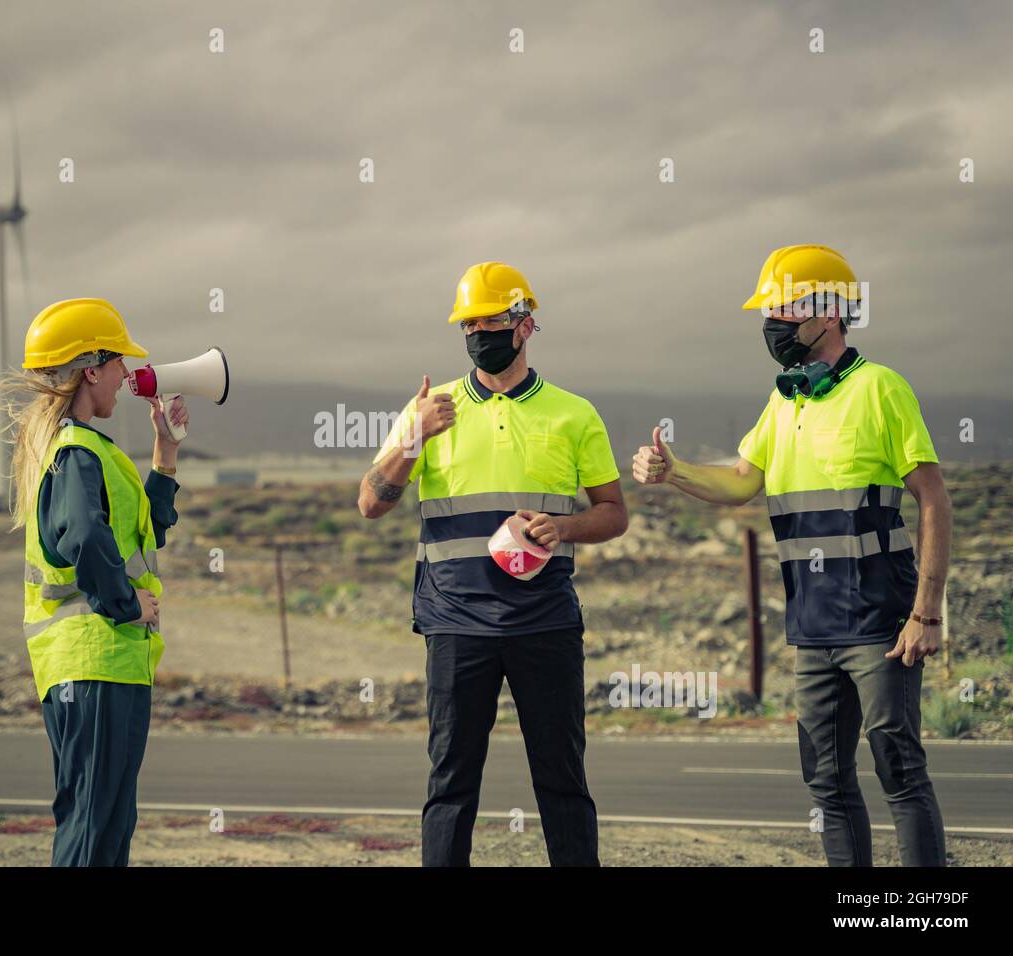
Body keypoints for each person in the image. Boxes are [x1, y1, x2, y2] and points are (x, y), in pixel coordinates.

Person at [632, 245, 950, 866]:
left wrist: (927, 613)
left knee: (899, 772)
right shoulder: (786, 400)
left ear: (828, 313)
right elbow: (741, 481)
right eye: (769, 310)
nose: (771, 322)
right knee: (826, 783)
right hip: (812, 627)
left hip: (882, 622)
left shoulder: (881, 388)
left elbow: (934, 501)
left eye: (783, 308)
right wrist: (674, 473)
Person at [359, 262, 628, 866]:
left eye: (494, 320)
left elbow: (613, 513)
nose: (481, 332)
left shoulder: (574, 413)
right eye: (469, 323)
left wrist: (562, 527)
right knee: (451, 785)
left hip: (546, 623)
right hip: (455, 624)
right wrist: (413, 439)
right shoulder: (430, 408)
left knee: (562, 783)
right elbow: (371, 503)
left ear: (526, 324)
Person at [2, 297, 188, 866]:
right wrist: (127, 604)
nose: (126, 376)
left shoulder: (84, 450)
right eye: (117, 364)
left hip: (102, 666)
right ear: (91, 369)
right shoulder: (78, 452)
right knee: (93, 826)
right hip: (94, 662)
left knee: (105, 824)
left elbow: (139, 533)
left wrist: (165, 455)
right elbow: (84, 536)